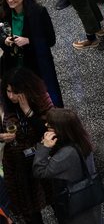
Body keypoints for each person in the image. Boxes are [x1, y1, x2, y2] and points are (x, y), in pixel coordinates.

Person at [0, 68, 53, 224]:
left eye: (15, 92)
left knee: (54, 196)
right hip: (16, 163)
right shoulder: (3, 101)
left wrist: (28, 112)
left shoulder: (40, 98)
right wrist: (1, 137)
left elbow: (50, 130)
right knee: (28, 208)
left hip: (42, 156)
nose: (11, 96)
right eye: (8, 91)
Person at [32, 108, 104, 224]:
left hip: (75, 206)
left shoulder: (66, 154)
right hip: (90, 203)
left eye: (50, 125)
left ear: (60, 130)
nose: (46, 125)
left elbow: (39, 171)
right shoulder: (82, 139)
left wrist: (44, 147)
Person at [0, 0, 63, 108]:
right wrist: (4, 41)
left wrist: (28, 40)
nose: (10, 0)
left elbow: (51, 40)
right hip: (13, 65)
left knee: (43, 98)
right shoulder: (3, 13)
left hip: (36, 65)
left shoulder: (39, 12)